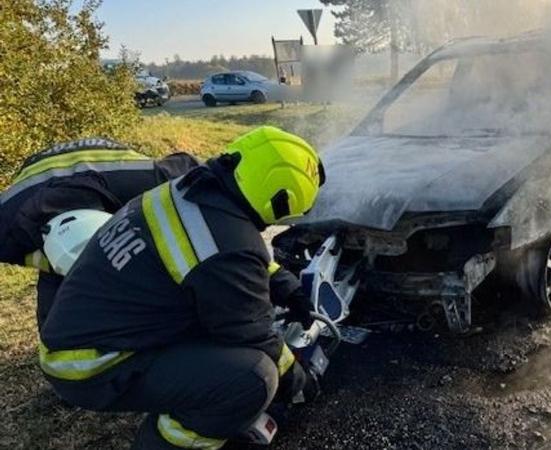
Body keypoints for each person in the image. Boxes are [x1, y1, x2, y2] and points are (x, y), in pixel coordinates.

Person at [39, 126, 325, 449]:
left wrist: (283, 283)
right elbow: (254, 333)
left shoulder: (186, 192)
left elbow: (213, 255)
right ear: (281, 200)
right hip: (90, 366)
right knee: (256, 377)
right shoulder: (228, 243)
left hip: (74, 337)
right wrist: (297, 381)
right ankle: (167, 442)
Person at [0, 139, 199, 328]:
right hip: (36, 186)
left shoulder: (149, 182)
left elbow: (193, 168)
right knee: (56, 313)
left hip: (106, 166)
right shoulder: (6, 225)